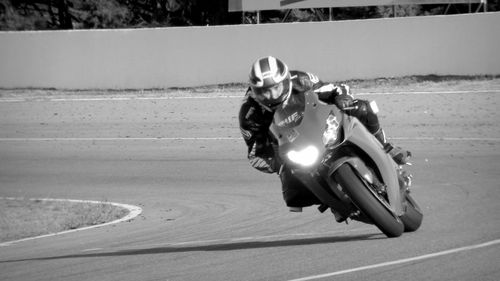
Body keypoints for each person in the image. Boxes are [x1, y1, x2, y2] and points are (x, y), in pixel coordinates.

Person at [238, 56, 411, 210]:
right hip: (291, 148)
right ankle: (332, 200)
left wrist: (343, 98)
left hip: (318, 125)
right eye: (264, 92)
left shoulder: (300, 79)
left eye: (275, 88)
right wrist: (278, 162)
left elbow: (336, 89)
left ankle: (387, 146)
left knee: (364, 108)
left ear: (284, 80)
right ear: (255, 91)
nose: (271, 95)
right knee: (293, 195)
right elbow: (255, 155)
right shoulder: (249, 114)